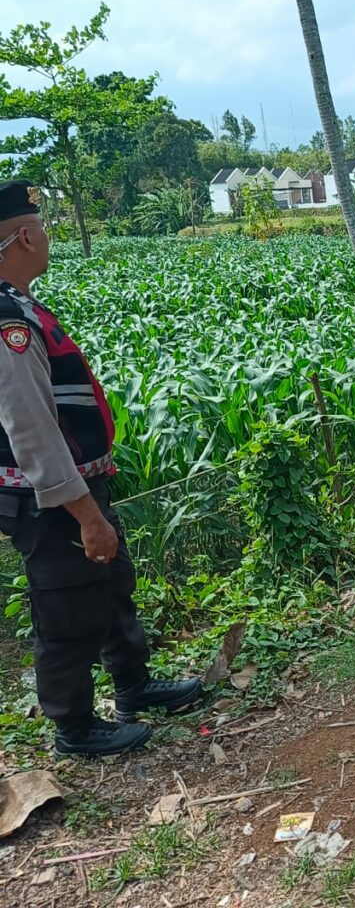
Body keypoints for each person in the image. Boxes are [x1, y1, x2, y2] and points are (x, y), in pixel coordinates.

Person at [0, 181, 203, 757]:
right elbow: (32, 431)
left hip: (76, 485)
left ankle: (133, 686)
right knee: (65, 608)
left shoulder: (22, 307)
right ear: (24, 236)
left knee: (111, 587)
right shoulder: (6, 321)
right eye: (41, 228)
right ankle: (75, 726)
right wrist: (85, 513)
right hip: (50, 499)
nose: (47, 238)